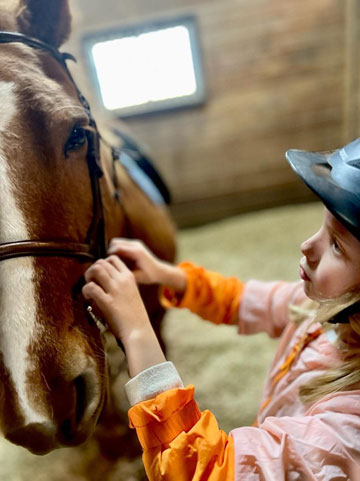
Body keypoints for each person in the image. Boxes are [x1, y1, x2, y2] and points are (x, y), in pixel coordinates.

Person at [82, 138, 360, 480]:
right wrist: (170, 276)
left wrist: (138, 330)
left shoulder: (347, 433)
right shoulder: (326, 306)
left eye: (336, 246)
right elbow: (242, 300)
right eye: (322, 228)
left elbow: (203, 471)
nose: (307, 246)